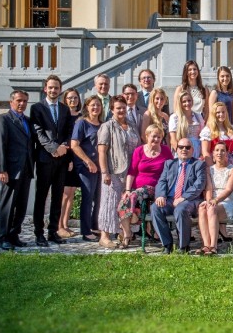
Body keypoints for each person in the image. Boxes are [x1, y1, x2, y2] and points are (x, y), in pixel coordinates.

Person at [30, 74, 71, 247]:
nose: (54, 90)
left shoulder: (64, 109)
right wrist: (54, 149)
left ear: (60, 90)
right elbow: (38, 133)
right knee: (41, 196)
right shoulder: (37, 108)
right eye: (51, 87)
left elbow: (69, 131)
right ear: (45, 88)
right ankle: (39, 233)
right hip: (45, 159)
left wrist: (63, 147)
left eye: (57, 87)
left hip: (61, 160)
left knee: (57, 196)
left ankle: (53, 231)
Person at [97, 96, 141, 249]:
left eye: (123, 107)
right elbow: (102, 151)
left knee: (125, 204)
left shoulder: (132, 125)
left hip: (130, 171)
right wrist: (105, 172)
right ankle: (105, 236)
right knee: (109, 203)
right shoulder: (107, 126)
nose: (121, 110)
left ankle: (124, 232)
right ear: (111, 110)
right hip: (114, 170)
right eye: (118, 108)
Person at [0, 90, 34, 250]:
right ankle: (3, 237)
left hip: (26, 169)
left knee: (21, 206)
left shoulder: (28, 121)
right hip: (11, 169)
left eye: (24, 101)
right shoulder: (3, 119)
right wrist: (1, 169)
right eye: (19, 100)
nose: (22, 103)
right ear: (11, 102)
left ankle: (14, 234)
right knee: (8, 205)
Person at [118, 125, 174, 241]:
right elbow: (132, 172)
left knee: (133, 196)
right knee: (126, 198)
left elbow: (172, 171)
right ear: (147, 136)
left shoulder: (165, 151)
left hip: (156, 188)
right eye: (154, 136)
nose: (156, 139)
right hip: (137, 189)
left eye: (159, 137)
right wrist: (127, 190)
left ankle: (134, 221)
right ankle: (127, 232)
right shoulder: (139, 151)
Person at [151, 138, 207, 254]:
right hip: (170, 199)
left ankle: (183, 246)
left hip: (190, 200)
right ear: (176, 149)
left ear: (192, 150)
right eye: (181, 147)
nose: (184, 150)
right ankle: (167, 244)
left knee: (181, 209)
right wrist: (161, 195)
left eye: (187, 147)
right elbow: (162, 181)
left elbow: (199, 185)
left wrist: (183, 197)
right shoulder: (169, 164)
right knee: (155, 208)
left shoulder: (199, 164)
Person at [71, 96, 103, 242]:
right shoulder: (81, 123)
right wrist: (88, 162)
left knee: (99, 198)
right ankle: (85, 231)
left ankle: (94, 226)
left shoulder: (102, 124)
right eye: (92, 105)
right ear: (87, 107)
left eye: (98, 105)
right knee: (88, 198)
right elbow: (74, 145)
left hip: (100, 167)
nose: (95, 108)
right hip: (86, 167)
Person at [197, 142, 233, 255]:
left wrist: (215, 201)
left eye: (222, 150)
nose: (219, 153)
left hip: (227, 201)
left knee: (211, 209)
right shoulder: (209, 169)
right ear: (213, 154)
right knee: (202, 208)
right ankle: (206, 245)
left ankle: (213, 246)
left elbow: (229, 189)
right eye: (217, 150)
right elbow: (209, 188)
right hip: (213, 200)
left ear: (227, 154)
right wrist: (209, 200)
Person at [58, 88, 82, 238]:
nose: (73, 100)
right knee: (65, 194)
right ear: (65, 99)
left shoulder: (81, 117)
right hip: (66, 159)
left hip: (77, 158)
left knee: (71, 193)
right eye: (70, 98)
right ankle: (58, 225)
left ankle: (66, 225)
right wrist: (68, 159)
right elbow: (63, 139)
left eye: (75, 98)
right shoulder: (63, 116)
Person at [200, 101, 233, 167]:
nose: (221, 114)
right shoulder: (208, 130)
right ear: (213, 114)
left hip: (231, 163)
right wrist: (212, 168)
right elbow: (205, 152)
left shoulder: (230, 128)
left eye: (223, 112)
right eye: (218, 112)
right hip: (215, 163)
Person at [169, 91, 204, 158]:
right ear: (180, 103)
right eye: (184, 101)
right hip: (182, 150)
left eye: (189, 100)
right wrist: (180, 152)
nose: (187, 103)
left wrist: (202, 154)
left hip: (196, 150)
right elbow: (173, 139)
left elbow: (201, 137)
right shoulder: (175, 117)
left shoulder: (198, 116)